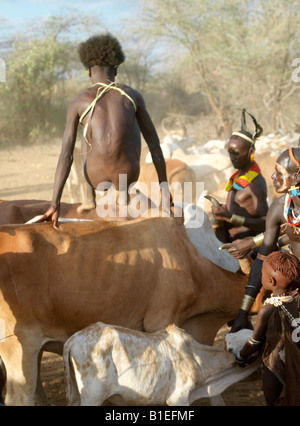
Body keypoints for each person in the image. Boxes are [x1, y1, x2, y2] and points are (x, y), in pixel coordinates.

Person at [40, 33, 172, 229]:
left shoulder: (78, 101)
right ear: (116, 70)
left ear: (88, 72)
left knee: (88, 133)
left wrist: (55, 203)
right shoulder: (132, 95)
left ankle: (89, 197)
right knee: (130, 123)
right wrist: (165, 193)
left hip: (94, 176)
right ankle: (124, 195)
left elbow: (66, 155)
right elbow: (154, 144)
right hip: (126, 176)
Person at [231, 147, 300, 332]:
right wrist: (243, 312)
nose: (273, 177)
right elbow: (262, 257)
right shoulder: (279, 208)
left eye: (280, 173)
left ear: (297, 178)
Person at [234, 251, 300, 406]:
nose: (260, 276)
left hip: (277, 362)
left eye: (262, 273)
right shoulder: (296, 299)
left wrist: (241, 356)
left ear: (271, 280)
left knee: (273, 395)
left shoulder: (268, 309)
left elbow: (255, 342)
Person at [211, 109, 268, 243]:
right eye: (229, 153)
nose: (231, 158)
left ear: (251, 151)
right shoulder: (238, 177)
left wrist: (231, 217)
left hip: (247, 246)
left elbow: (266, 224)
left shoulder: (256, 183)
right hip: (230, 240)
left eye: (236, 153)